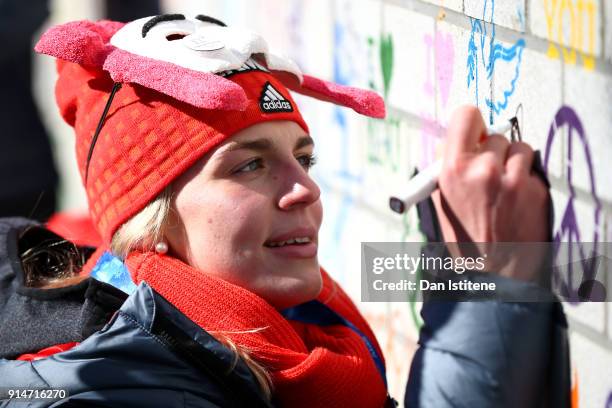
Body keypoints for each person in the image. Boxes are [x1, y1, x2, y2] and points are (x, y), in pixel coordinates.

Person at [0, 14, 569, 408]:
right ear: (152, 223)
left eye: (304, 158)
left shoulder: (291, 329)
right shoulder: (122, 389)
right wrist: (489, 291)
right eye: (248, 166)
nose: (305, 190)